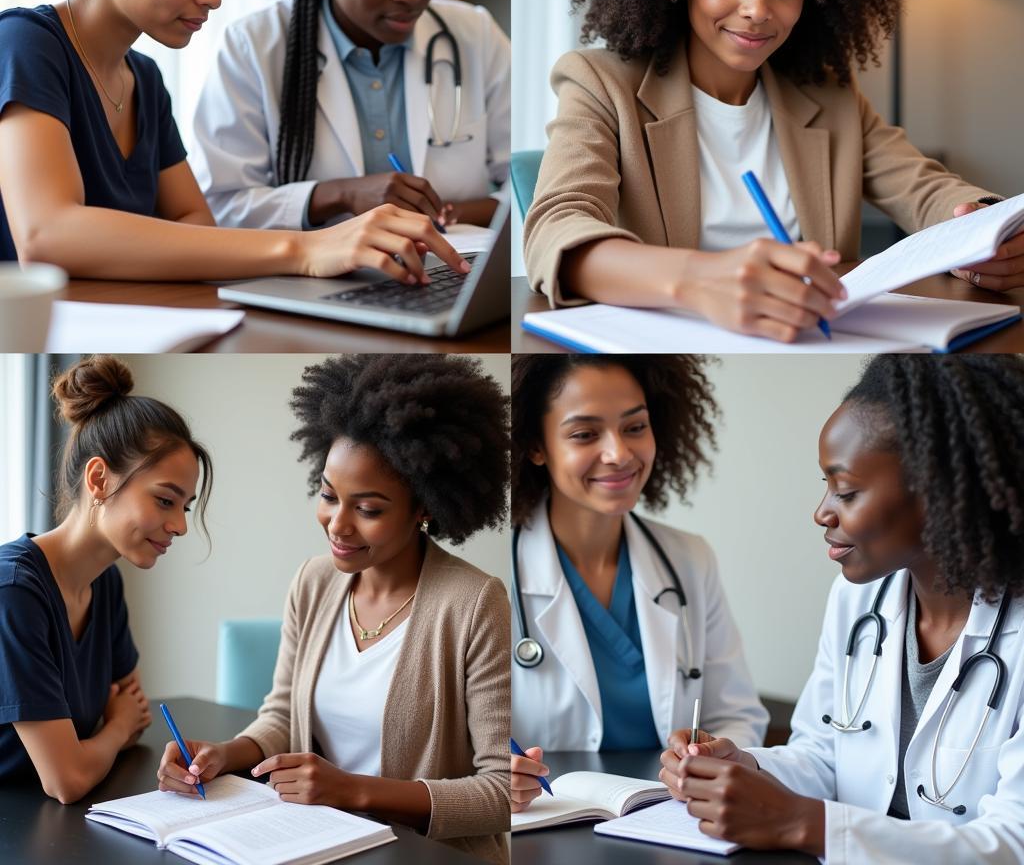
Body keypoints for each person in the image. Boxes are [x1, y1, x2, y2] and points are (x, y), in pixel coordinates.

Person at [524, 0, 1022, 343]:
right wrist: (697, 281)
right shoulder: (600, 82)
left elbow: (927, 189)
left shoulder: (831, 99)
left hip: (811, 345)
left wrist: (988, 232)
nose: (758, 8)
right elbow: (556, 227)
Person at [0, 0, 467, 287]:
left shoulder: (143, 79)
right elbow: (48, 236)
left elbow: (196, 220)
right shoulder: (26, 43)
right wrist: (304, 250)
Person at [660, 355, 1024, 862]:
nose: (822, 511)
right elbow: (824, 753)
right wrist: (744, 767)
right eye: (825, 485)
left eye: (846, 490)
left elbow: (1013, 843)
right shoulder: (858, 599)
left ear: (937, 494)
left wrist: (804, 824)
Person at [157, 354, 511, 864]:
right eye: (328, 495)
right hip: (317, 841)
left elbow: (501, 792)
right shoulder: (314, 580)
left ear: (425, 507)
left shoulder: (474, 603)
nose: (337, 524)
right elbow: (282, 716)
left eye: (368, 509)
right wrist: (222, 755)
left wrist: (353, 790)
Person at [191, 0, 511, 232]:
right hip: (314, 282)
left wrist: (443, 215)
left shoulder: (473, 34)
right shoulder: (254, 45)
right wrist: (341, 194)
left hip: (452, 270)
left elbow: (534, 181)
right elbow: (220, 205)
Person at [510, 354, 767, 813]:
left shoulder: (689, 559)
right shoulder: (495, 574)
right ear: (535, 445)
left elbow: (737, 714)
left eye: (634, 427)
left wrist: (720, 754)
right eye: (585, 434)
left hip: (669, 816)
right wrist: (494, 773)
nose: (620, 454)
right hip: (543, 821)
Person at [0, 355, 212, 803]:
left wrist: (112, 731)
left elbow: (135, 713)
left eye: (185, 507)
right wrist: (114, 729)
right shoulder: (14, 592)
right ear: (98, 478)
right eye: (164, 500)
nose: (180, 526)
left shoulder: (106, 583)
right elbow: (68, 778)